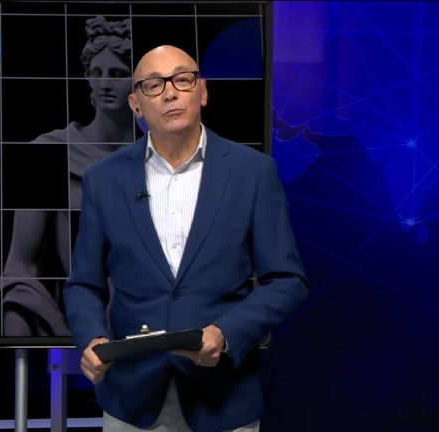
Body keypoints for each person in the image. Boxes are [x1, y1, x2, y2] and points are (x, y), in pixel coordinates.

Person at [63, 44, 309, 432]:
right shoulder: (103, 178)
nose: (170, 93)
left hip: (224, 397)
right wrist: (92, 338)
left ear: (203, 91)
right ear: (136, 105)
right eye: (153, 84)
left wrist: (226, 334)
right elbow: (83, 284)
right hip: (131, 398)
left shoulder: (253, 172)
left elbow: (287, 280)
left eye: (182, 79)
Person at [0, 16, 135, 336]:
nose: (104, 84)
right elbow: (21, 265)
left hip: (142, 319)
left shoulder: (156, 159)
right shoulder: (50, 152)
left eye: (118, 74)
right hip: (72, 318)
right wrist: (17, 309)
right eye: (96, 73)